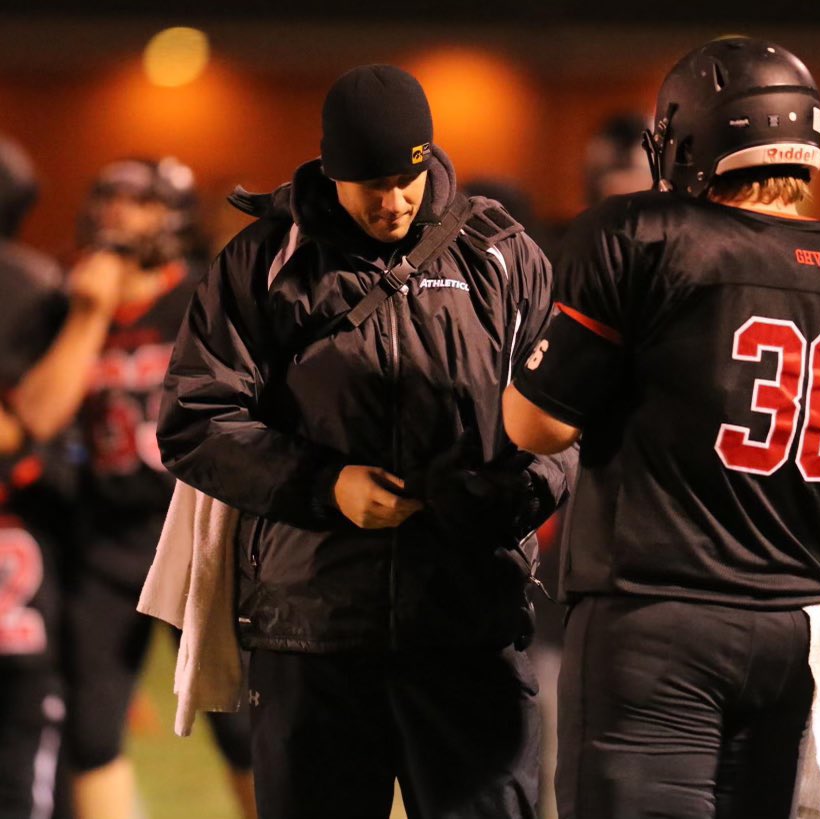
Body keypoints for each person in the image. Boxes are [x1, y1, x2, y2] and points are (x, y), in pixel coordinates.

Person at [503, 36, 820, 819]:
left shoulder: (645, 237)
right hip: (792, 626)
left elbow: (535, 425)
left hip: (656, 619)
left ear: (692, 140)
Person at [156, 64, 574, 819]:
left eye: (407, 177)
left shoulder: (501, 254)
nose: (393, 201)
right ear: (330, 169)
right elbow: (195, 419)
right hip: (312, 632)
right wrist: (325, 485)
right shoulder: (263, 264)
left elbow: (564, 416)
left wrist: (510, 495)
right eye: (369, 183)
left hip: (468, 625)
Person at [59, 158, 256, 819]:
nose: (118, 210)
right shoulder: (69, 302)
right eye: (108, 194)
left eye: (136, 199)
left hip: (197, 538)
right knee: (89, 732)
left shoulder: (205, 299)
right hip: (106, 542)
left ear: (169, 213)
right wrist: (87, 313)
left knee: (244, 732)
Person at [0, 135, 125, 819]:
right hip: (26, 558)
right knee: (26, 762)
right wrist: (86, 315)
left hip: (27, 548)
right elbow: (36, 418)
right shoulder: (39, 287)